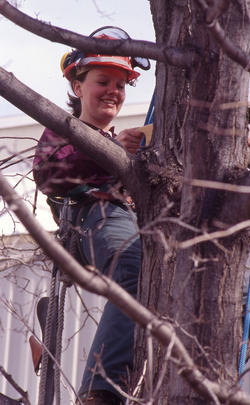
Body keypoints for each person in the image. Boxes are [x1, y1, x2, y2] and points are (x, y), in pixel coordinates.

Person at [33, 26, 150, 405]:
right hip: (89, 218)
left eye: (121, 84)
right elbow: (50, 176)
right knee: (134, 267)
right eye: (104, 81)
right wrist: (111, 148)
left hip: (131, 224)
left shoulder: (130, 143)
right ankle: (101, 391)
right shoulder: (62, 131)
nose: (114, 91)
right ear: (78, 86)